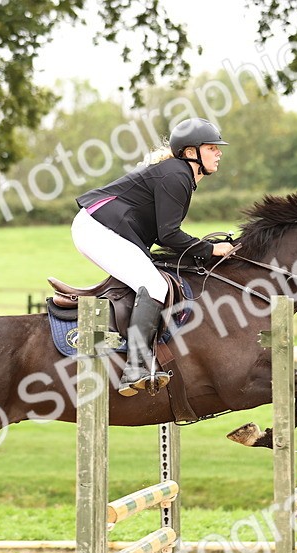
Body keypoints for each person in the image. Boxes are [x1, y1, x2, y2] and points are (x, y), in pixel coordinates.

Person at [72, 117, 235, 396]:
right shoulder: (176, 175)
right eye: (211, 148)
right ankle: (134, 368)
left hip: (102, 227)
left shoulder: (178, 174)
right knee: (155, 285)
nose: (218, 152)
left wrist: (199, 250)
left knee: (154, 277)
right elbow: (169, 235)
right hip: (97, 229)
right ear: (190, 152)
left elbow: (164, 236)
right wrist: (209, 249)